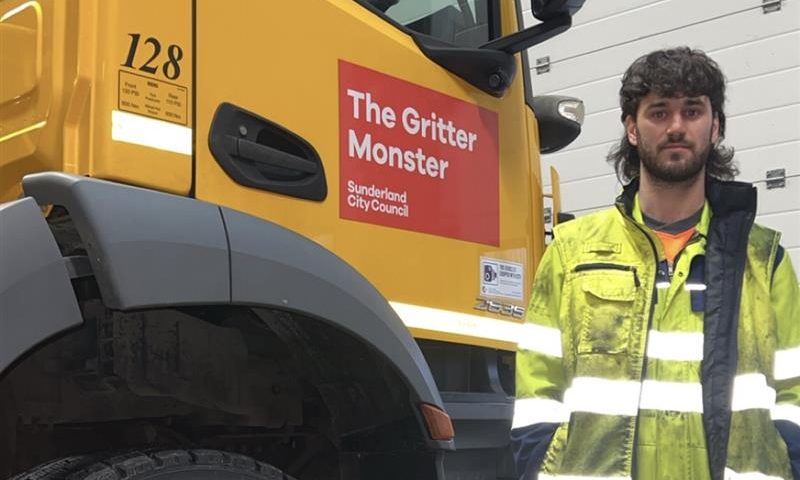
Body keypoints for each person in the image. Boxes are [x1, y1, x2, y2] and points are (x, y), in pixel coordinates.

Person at [511, 47, 800, 480]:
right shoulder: (572, 252)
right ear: (632, 128)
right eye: (659, 112)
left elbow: (793, 393)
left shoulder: (762, 259)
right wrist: (540, 468)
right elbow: (537, 390)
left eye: (692, 111)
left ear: (715, 126)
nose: (677, 127)